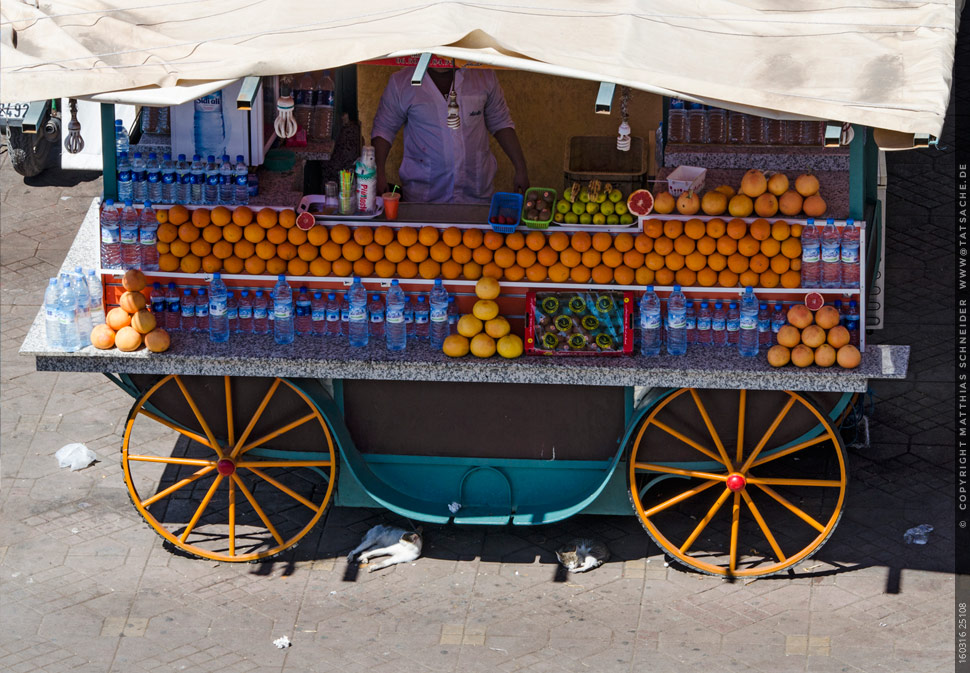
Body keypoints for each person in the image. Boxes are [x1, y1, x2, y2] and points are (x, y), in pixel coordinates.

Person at [371, 65, 529, 204]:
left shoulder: (483, 75)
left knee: (475, 239)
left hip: (476, 196)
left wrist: (520, 168)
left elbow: (501, 122)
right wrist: (378, 173)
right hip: (424, 199)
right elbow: (384, 129)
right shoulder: (402, 82)